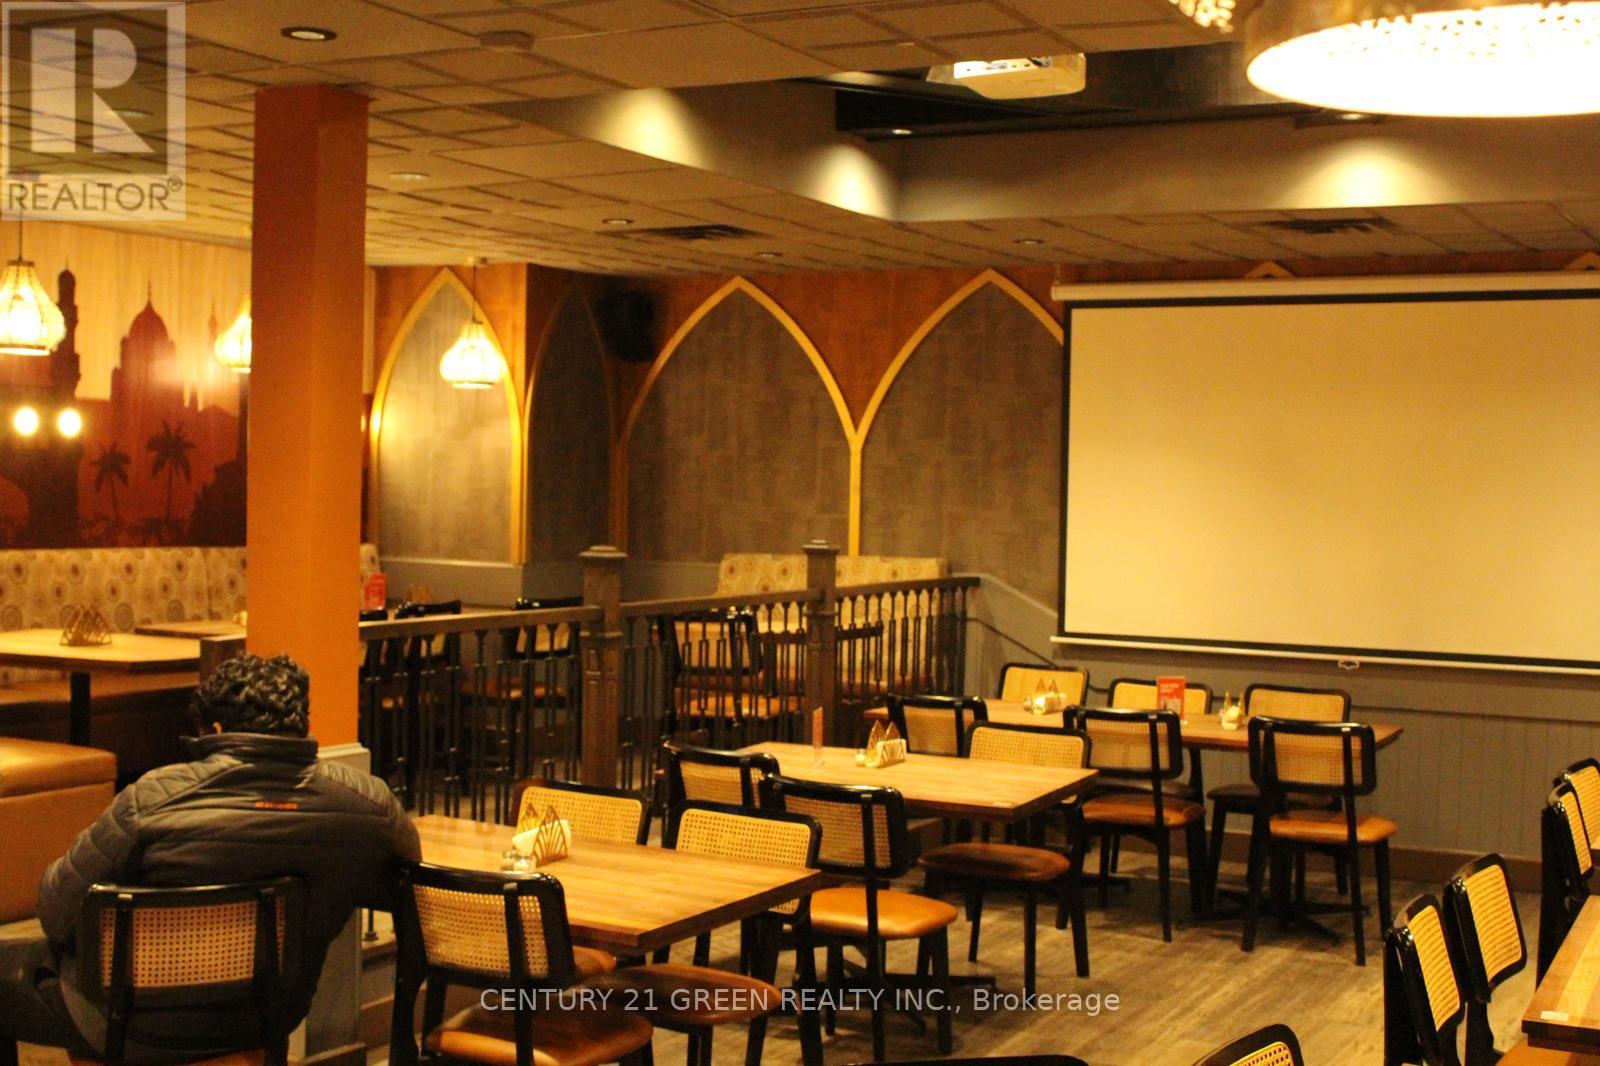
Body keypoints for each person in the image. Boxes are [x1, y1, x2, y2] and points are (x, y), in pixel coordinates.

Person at [0, 653, 420, 1066]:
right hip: (264, 1019)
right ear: (301, 723)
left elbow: (56, 910)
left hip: (127, 1025)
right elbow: (408, 892)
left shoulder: (151, 799)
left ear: (214, 728)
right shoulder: (369, 806)